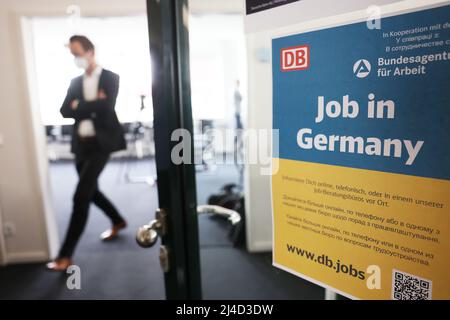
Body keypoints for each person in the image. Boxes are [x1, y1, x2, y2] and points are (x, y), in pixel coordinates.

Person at [47, 35, 127, 271]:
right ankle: (118, 220)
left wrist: (78, 106)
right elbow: (63, 110)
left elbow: (107, 107)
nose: (75, 58)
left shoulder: (111, 78)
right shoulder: (74, 81)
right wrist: (91, 105)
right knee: (92, 191)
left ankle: (65, 256)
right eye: (72, 54)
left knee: (81, 196)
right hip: (80, 145)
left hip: (101, 144)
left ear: (90, 51)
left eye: (77, 53)